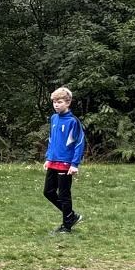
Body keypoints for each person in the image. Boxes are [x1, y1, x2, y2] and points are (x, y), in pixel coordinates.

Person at [43, 86, 85, 233]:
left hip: (66, 164)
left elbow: (79, 143)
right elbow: (51, 140)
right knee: (48, 192)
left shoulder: (73, 121)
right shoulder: (53, 118)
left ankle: (67, 226)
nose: (56, 105)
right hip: (53, 161)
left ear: (68, 103)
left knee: (64, 195)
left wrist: (74, 164)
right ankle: (71, 215)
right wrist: (48, 158)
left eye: (59, 102)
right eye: (54, 102)